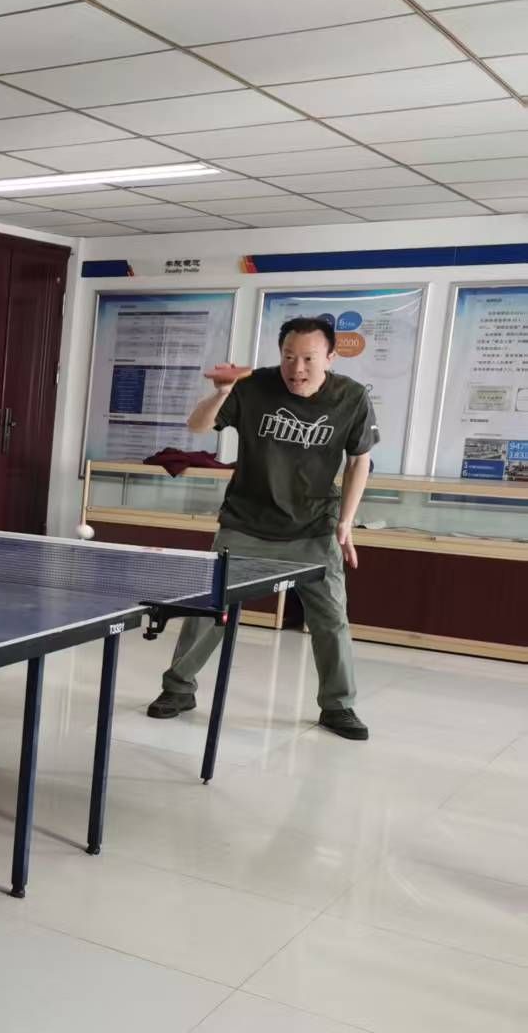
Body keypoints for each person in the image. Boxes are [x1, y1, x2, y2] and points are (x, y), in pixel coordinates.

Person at [147, 315, 376, 741]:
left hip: (314, 528)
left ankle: (338, 706)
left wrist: (346, 522)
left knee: (331, 618)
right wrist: (222, 392)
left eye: (308, 358)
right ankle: (178, 688)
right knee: (208, 609)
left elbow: (359, 458)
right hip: (245, 523)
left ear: (330, 357)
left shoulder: (351, 396)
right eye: (288, 357)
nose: (296, 368)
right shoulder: (252, 387)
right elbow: (197, 426)